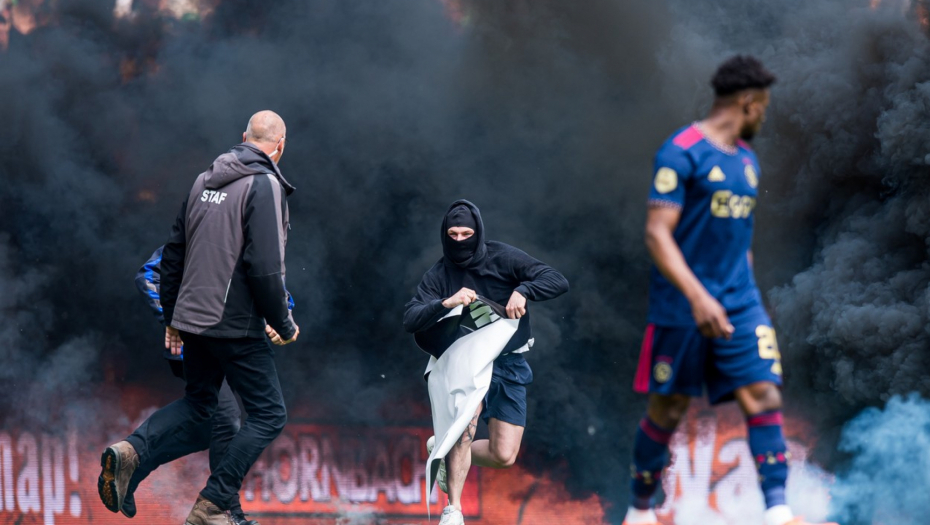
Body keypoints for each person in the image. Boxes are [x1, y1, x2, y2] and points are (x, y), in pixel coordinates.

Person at [623, 56, 836, 525]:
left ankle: (777, 512)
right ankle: (638, 511)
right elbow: (657, 234)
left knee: (764, 394)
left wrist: (749, 300)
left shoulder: (747, 161)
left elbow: (740, 238)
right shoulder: (680, 152)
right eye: (763, 108)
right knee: (668, 408)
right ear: (748, 102)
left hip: (740, 302)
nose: (764, 116)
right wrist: (700, 298)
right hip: (682, 305)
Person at [97, 110, 299, 525]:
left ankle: (134, 458)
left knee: (205, 409)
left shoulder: (203, 180)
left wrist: (175, 317)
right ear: (281, 146)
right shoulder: (263, 185)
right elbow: (262, 267)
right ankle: (218, 507)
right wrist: (283, 320)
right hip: (228, 324)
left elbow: (180, 254)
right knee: (259, 415)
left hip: (193, 324)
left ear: (243, 136)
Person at [404, 200, 569, 525]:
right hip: (464, 362)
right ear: (444, 235)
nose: (460, 239)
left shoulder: (503, 257)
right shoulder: (439, 275)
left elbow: (556, 280)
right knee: (465, 426)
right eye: (453, 234)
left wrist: (525, 289)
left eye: (466, 233)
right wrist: (446, 302)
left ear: (477, 232)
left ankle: (443, 447)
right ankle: (453, 509)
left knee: (503, 455)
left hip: (508, 360)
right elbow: (410, 318)